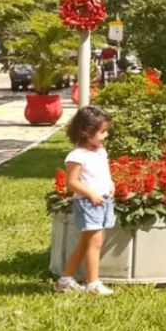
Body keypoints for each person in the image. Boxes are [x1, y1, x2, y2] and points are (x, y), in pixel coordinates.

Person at [54, 106, 116, 295]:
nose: (105, 136)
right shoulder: (77, 155)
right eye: (102, 132)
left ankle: (64, 280)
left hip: (103, 201)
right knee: (94, 243)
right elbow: (71, 182)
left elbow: (103, 172)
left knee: (86, 243)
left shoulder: (100, 151)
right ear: (86, 131)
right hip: (88, 204)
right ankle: (93, 284)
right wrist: (90, 194)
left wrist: (111, 183)